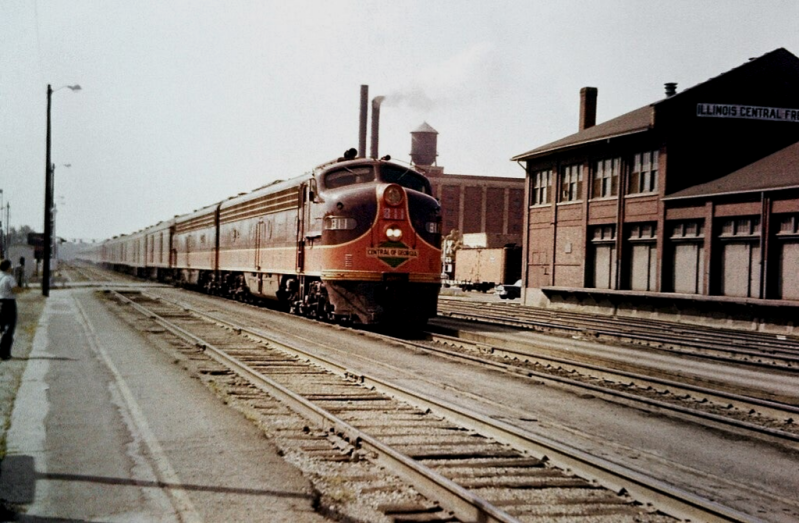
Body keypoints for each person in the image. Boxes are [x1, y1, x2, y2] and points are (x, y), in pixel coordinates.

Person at [0, 259, 17, 360]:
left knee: (2, 327)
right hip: (8, 304)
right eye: (10, 266)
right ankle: (4, 353)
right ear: (7, 267)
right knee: (9, 328)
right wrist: (21, 289)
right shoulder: (9, 277)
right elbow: (15, 289)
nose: (11, 268)